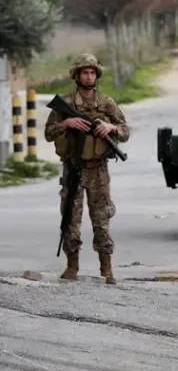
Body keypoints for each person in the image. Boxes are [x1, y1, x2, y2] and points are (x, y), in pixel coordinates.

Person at [43, 54, 130, 285]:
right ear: (77, 75)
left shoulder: (106, 103)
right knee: (71, 216)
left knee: (101, 218)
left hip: (98, 169)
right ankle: (72, 267)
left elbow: (125, 130)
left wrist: (111, 127)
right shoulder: (66, 103)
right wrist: (66, 123)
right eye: (85, 72)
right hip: (72, 168)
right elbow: (48, 133)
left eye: (92, 72)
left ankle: (106, 268)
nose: (89, 76)